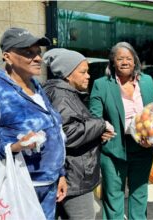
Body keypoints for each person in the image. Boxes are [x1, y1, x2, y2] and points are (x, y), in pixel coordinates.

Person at [0, 27, 67, 219]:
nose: (37, 58)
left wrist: (60, 173)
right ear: (7, 57)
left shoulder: (35, 85)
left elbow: (54, 130)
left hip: (48, 187)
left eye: (38, 53)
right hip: (19, 188)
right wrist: (11, 147)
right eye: (28, 53)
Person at [43, 48, 116, 219]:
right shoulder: (62, 96)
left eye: (87, 71)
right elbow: (66, 133)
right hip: (74, 178)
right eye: (83, 72)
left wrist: (98, 134)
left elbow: (75, 127)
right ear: (68, 75)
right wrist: (101, 124)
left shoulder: (65, 93)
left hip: (72, 175)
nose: (88, 76)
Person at [89, 42, 153, 220]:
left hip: (142, 147)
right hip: (113, 149)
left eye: (128, 58)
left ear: (135, 62)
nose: (125, 62)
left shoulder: (147, 81)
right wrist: (102, 128)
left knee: (139, 193)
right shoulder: (101, 84)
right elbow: (95, 116)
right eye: (120, 59)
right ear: (112, 62)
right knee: (113, 196)